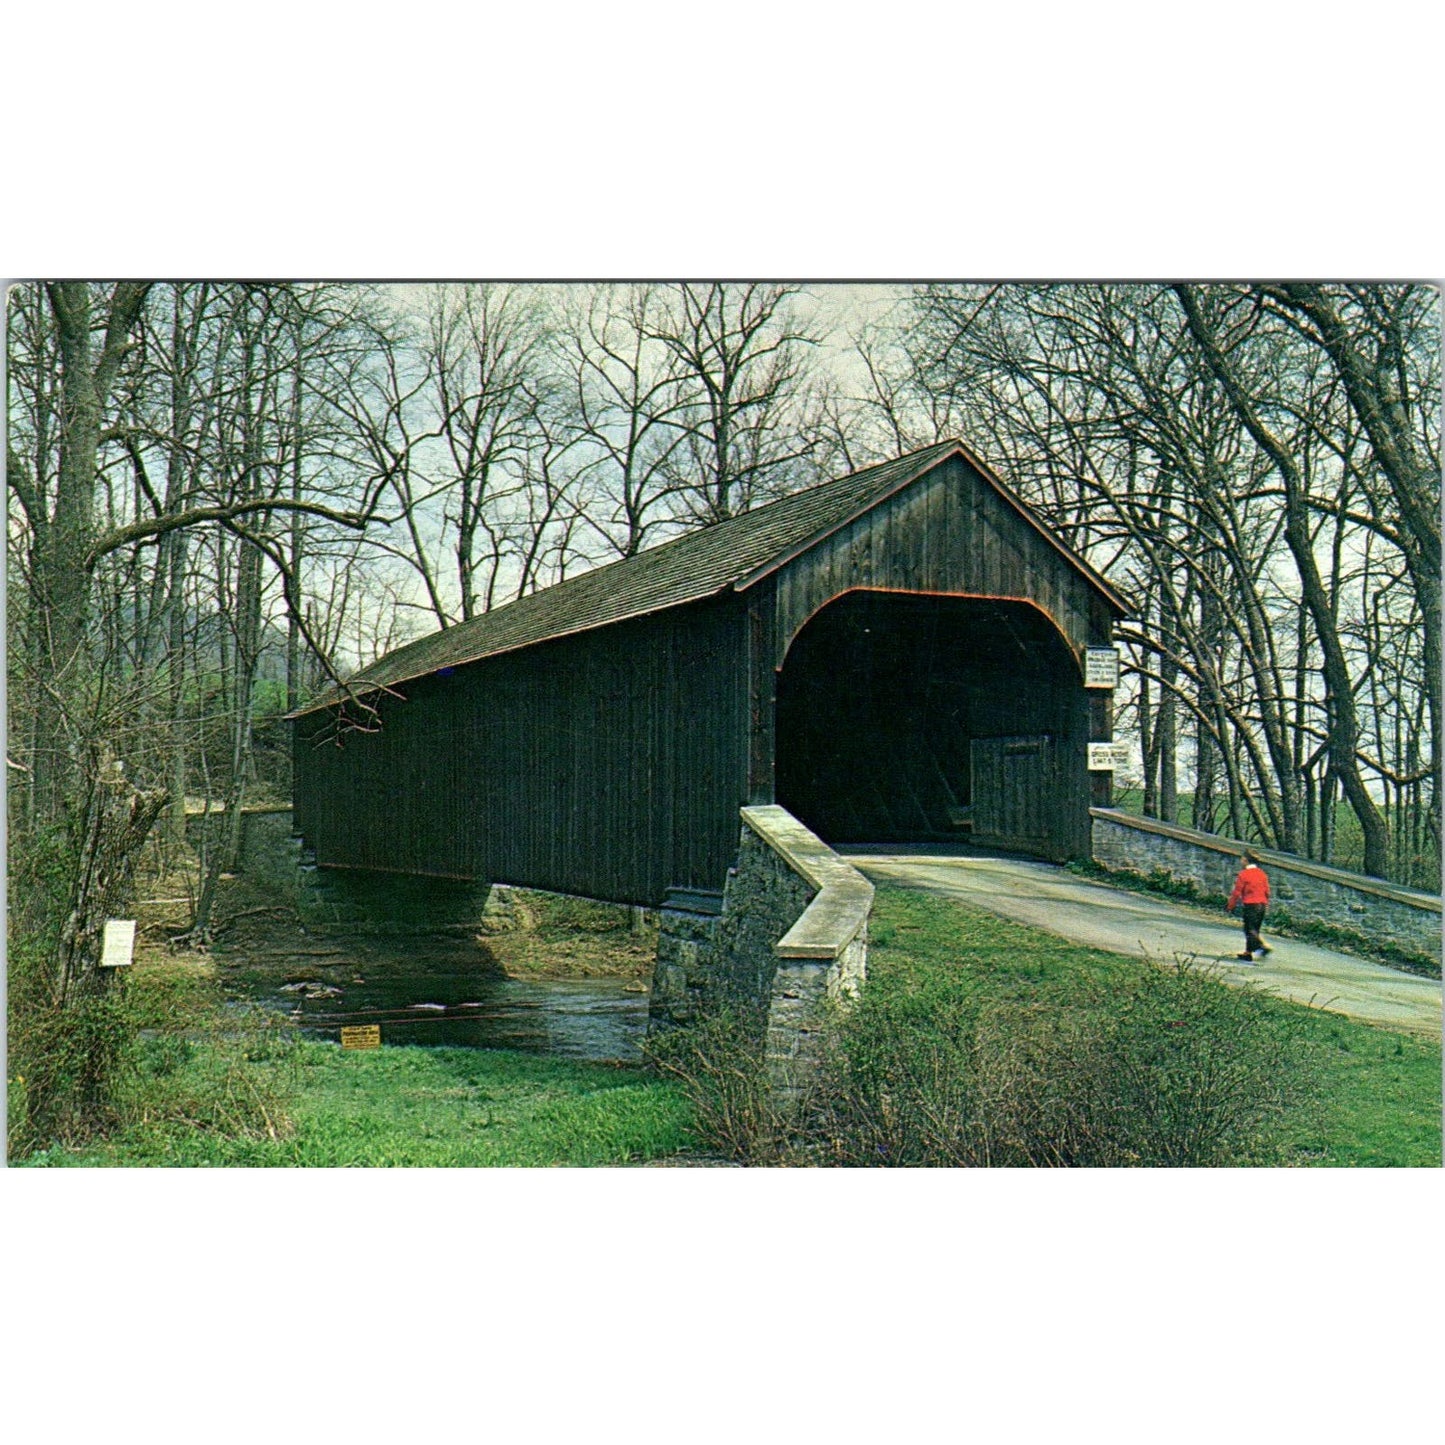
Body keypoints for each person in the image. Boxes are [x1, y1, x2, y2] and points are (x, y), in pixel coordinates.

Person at [1226, 850, 1272, 960]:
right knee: (1255, 929)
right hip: (1261, 904)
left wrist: (1230, 905)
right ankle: (1248, 953)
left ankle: (1262, 947)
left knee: (1249, 929)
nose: (1241, 861)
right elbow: (1267, 891)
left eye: (1242, 859)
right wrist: (1266, 904)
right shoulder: (1262, 873)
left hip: (1251, 904)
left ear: (1246, 860)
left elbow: (1237, 892)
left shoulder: (1244, 874)